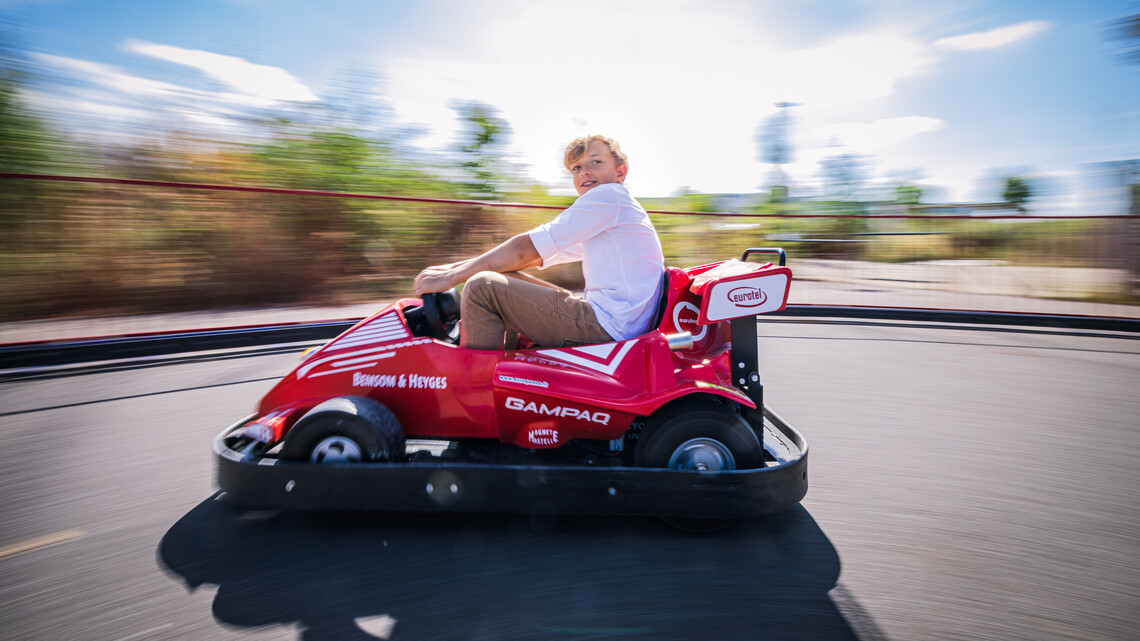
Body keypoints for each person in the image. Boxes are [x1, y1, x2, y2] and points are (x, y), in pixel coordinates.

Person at [412, 134, 665, 350]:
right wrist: (452, 268)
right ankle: (503, 360)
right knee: (503, 274)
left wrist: (451, 278)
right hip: (617, 321)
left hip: (608, 326)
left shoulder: (609, 196)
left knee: (482, 287)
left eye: (596, 162)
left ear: (619, 172)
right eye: (576, 168)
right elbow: (536, 256)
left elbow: (525, 249)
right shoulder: (613, 212)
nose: (585, 171)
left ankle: (474, 390)